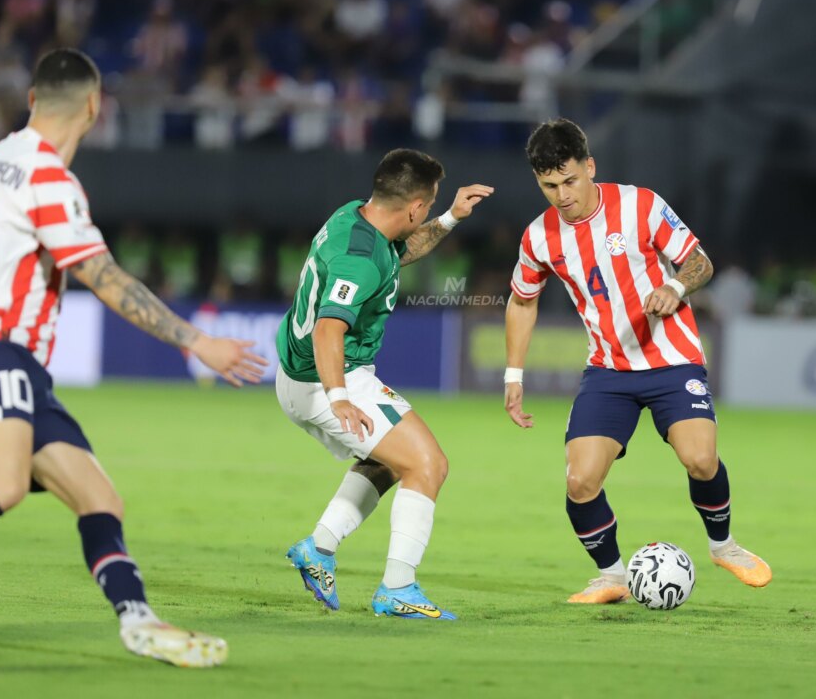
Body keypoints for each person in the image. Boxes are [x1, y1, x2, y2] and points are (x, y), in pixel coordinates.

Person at [0, 49, 267, 667]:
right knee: (3, 486)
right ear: (95, 108)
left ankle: (138, 621)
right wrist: (198, 342)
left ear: (33, 100)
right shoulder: (48, 179)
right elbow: (103, 277)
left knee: (100, 500)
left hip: (15, 365)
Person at [503, 118, 771, 604]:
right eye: (549, 186)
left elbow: (699, 262)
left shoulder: (640, 205)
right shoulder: (539, 236)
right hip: (608, 370)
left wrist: (673, 286)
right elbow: (523, 301)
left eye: (570, 181)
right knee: (580, 480)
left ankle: (723, 545)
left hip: (672, 360)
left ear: (590, 167)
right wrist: (514, 374)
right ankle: (612, 576)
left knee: (700, 458)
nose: (562, 195)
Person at [277, 148, 491, 619]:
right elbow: (328, 328)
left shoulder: (356, 217)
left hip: (308, 375)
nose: (429, 213)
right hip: (329, 377)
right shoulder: (359, 259)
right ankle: (397, 587)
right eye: (431, 206)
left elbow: (399, 252)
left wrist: (453, 216)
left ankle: (319, 547)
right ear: (415, 207)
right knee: (428, 464)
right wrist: (338, 398)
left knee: (391, 460)